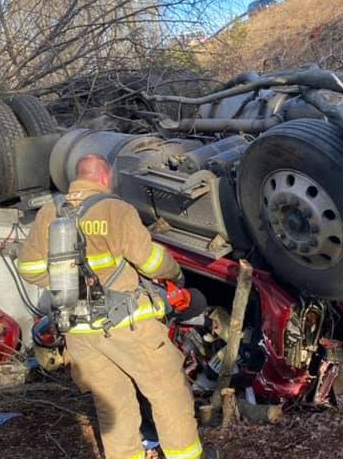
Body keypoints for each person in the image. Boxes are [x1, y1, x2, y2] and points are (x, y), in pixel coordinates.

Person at [20, 154, 215, 459]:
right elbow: (150, 260)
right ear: (105, 178)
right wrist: (174, 272)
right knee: (168, 393)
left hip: (79, 332)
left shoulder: (49, 212)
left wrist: (65, 283)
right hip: (126, 325)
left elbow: (30, 269)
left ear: (76, 177)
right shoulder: (115, 209)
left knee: (113, 406)